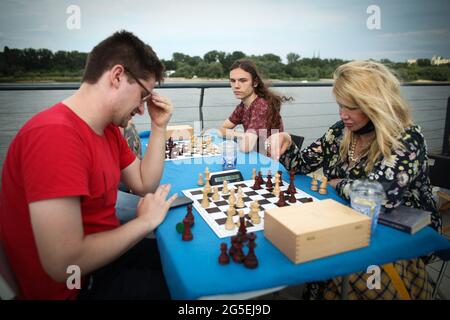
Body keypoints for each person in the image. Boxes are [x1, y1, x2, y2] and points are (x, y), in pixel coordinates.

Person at [0, 31, 177, 299]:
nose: (143, 109)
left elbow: (144, 183)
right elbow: (63, 264)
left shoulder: (108, 130)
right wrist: (144, 222)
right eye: (143, 95)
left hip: (105, 258)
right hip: (77, 287)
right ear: (117, 76)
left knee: (187, 260)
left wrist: (159, 126)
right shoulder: (54, 137)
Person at [266, 60, 441, 300]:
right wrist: (285, 142)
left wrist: (338, 184)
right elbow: (302, 165)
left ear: (375, 105)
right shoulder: (341, 130)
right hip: (345, 217)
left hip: (400, 232)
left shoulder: (407, 137)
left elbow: (379, 195)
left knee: (330, 258)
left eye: (351, 107)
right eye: (339, 106)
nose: (342, 115)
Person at [218, 59, 292, 153]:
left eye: (243, 80)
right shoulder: (243, 106)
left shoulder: (261, 106)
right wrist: (242, 135)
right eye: (233, 81)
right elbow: (221, 130)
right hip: (258, 155)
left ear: (255, 82)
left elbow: (245, 147)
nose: (236, 86)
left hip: (274, 160)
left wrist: (242, 136)